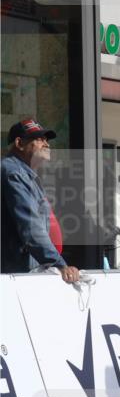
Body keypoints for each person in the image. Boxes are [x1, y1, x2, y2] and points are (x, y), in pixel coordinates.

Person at [1, 119, 80, 283]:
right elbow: (30, 227)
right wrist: (58, 264)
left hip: (24, 273)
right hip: (15, 276)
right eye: (39, 139)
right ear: (19, 143)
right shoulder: (13, 173)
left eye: (47, 139)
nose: (47, 144)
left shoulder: (25, 174)